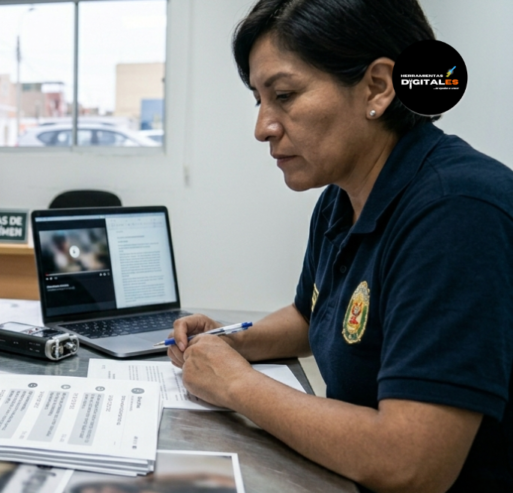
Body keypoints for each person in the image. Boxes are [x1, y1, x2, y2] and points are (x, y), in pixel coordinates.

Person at [167, 1, 513, 492]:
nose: (263, 126)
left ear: (377, 87)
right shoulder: (341, 197)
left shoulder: (457, 211)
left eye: (284, 95)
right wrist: (230, 342)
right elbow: (315, 315)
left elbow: (412, 463)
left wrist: (236, 384)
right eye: (258, 100)